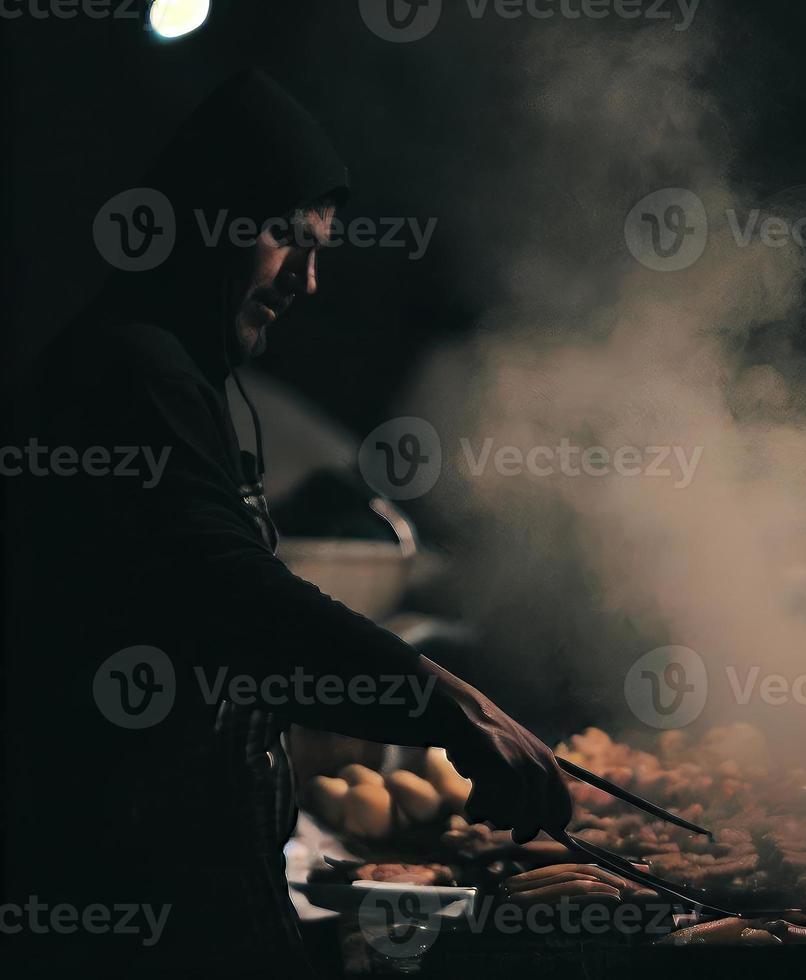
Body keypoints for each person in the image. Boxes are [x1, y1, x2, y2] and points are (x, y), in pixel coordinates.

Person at [5, 70, 571, 979]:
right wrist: (446, 704)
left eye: (320, 251)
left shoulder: (165, 369)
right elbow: (229, 596)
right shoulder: (130, 372)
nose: (308, 280)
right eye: (285, 240)